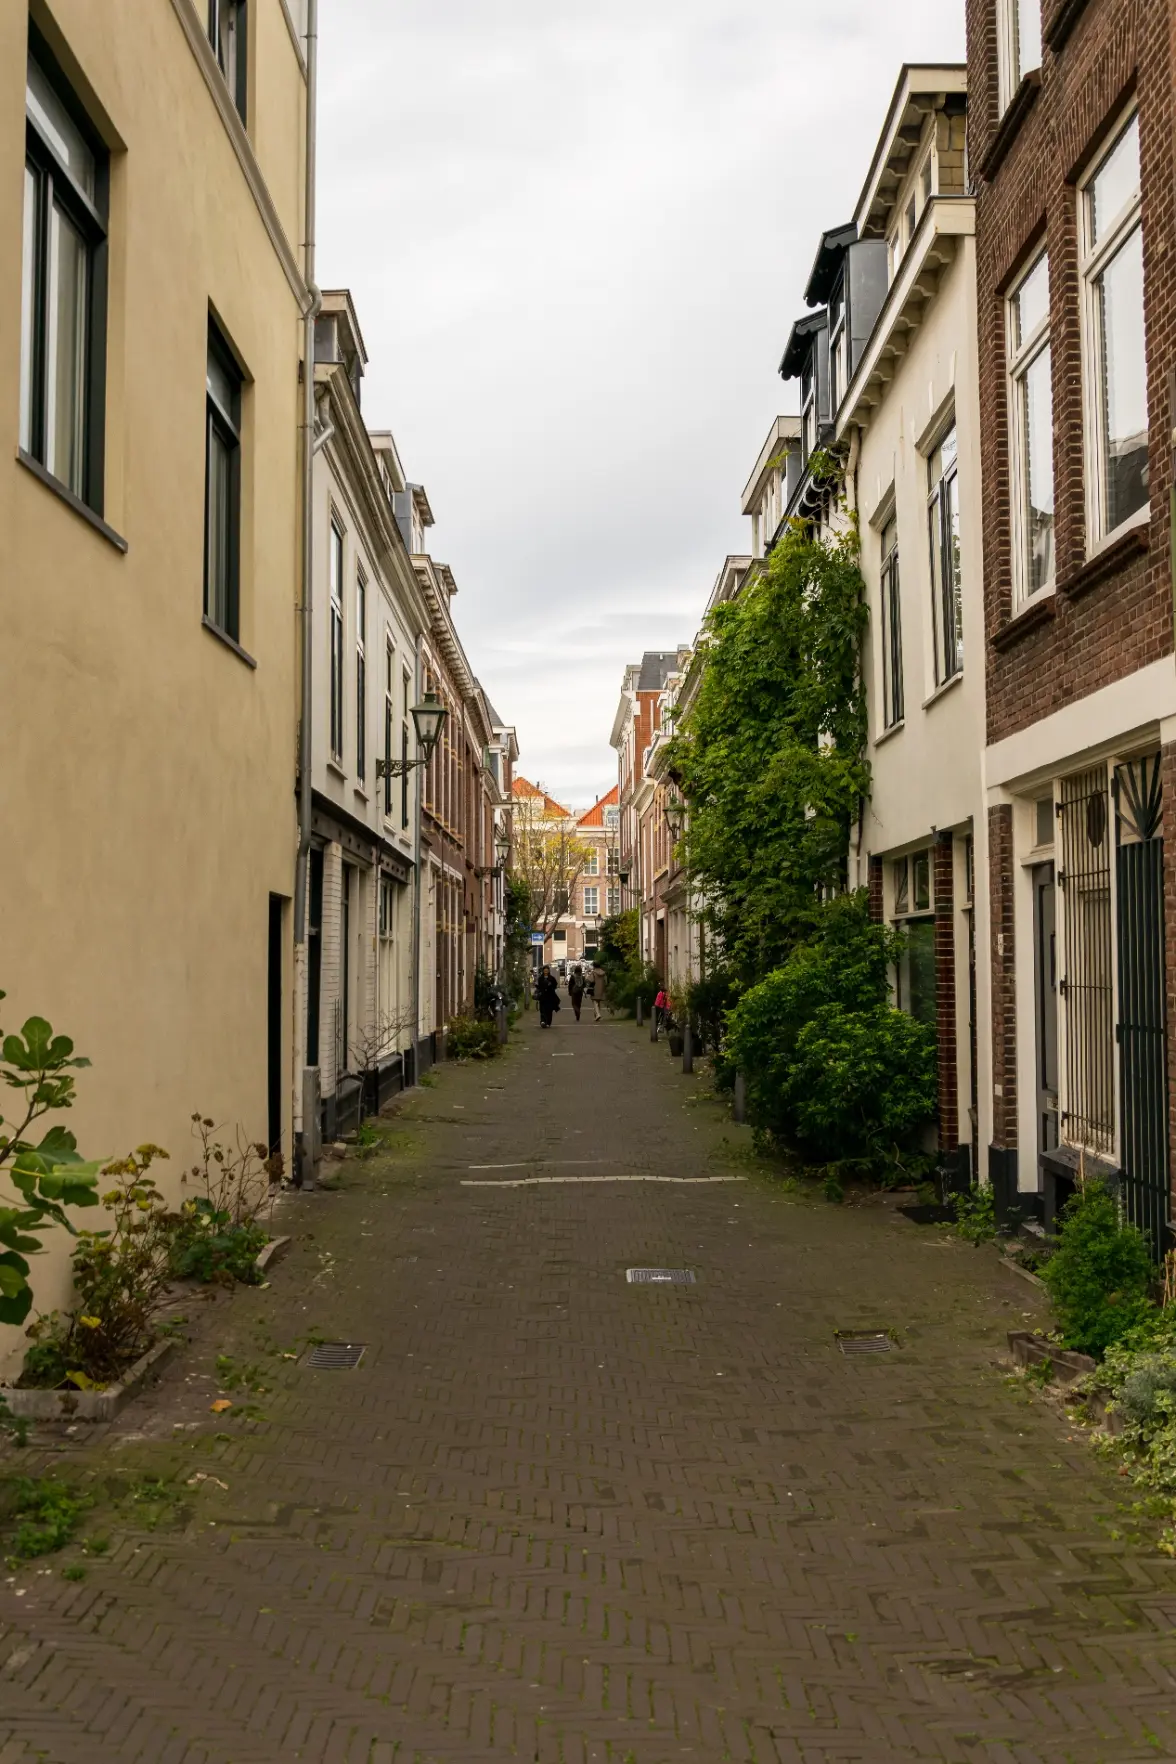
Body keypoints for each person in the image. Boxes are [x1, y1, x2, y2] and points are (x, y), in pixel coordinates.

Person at [536, 963, 560, 1029]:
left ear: (549, 971)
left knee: (549, 1010)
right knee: (542, 1009)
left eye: (547, 970)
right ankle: (543, 1021)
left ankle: (548, 1022)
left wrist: (550, 985)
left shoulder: (552, 978)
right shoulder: (540, 978)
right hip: (543, 997)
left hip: (550, 997)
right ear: (543, 971)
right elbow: (538, 986)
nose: (546, 971)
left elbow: (555, 985)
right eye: (545, 970)